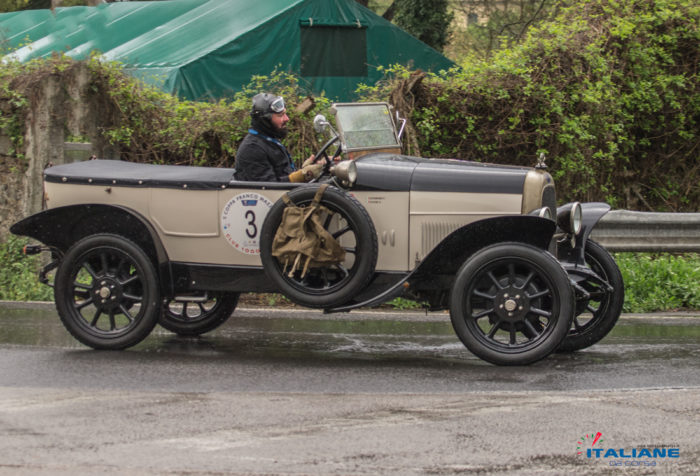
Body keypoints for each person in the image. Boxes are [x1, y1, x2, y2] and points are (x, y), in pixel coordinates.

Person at [234, 93, 322, 182]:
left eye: (285, 114)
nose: (287, 118)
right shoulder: (252, 149)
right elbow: (266, 188)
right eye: (280, 115)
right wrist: (301, 176)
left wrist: (306, 169)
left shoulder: (268, 141)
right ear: (265, 120)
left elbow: (282, 175)